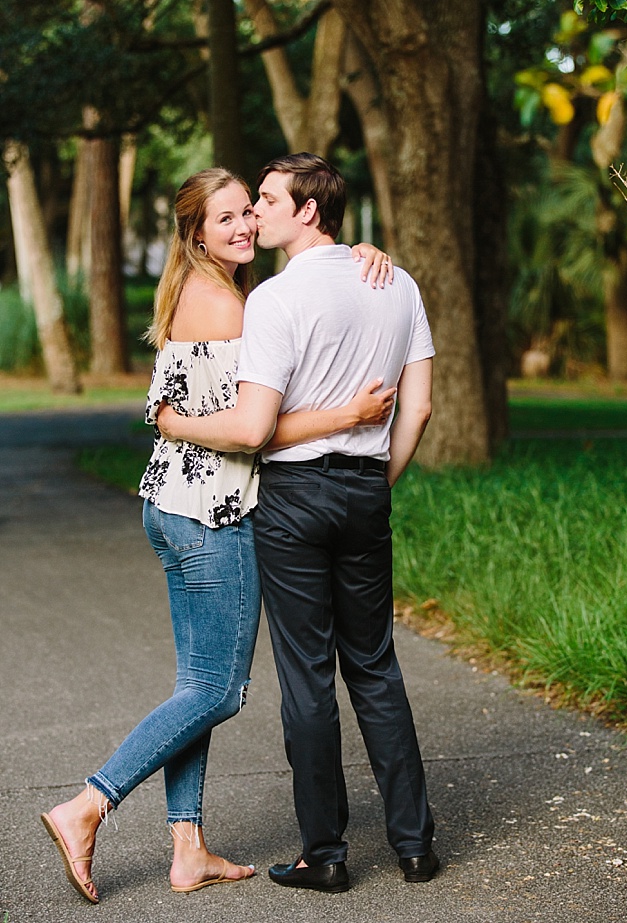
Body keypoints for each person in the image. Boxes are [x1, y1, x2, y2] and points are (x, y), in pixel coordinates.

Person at [40, 167, 395, 905]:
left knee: (193, 683)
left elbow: (181, 409)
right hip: (212, 513)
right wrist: (346, 416)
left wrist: (360, 251)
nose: (242, 225)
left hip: (170, 502)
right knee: (219, 689)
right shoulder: (228, 305)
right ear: (196, 231)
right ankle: (87, 805)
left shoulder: (200, 289)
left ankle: (188, 848)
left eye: (248, 212)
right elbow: (250, 430)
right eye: (225, 217)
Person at [157, 153, 438, 894]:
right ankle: (415, 845)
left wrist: (175, 421)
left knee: (308, 676)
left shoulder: (277, 300)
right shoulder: (397, 282)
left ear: (307, 210)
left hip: (292, 497)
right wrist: (374, 478)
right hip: (366, 491)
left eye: (267, 201)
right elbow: (420, 407)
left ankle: (326, 853)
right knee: (374, 664)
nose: (254, 214)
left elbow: (253, 427)